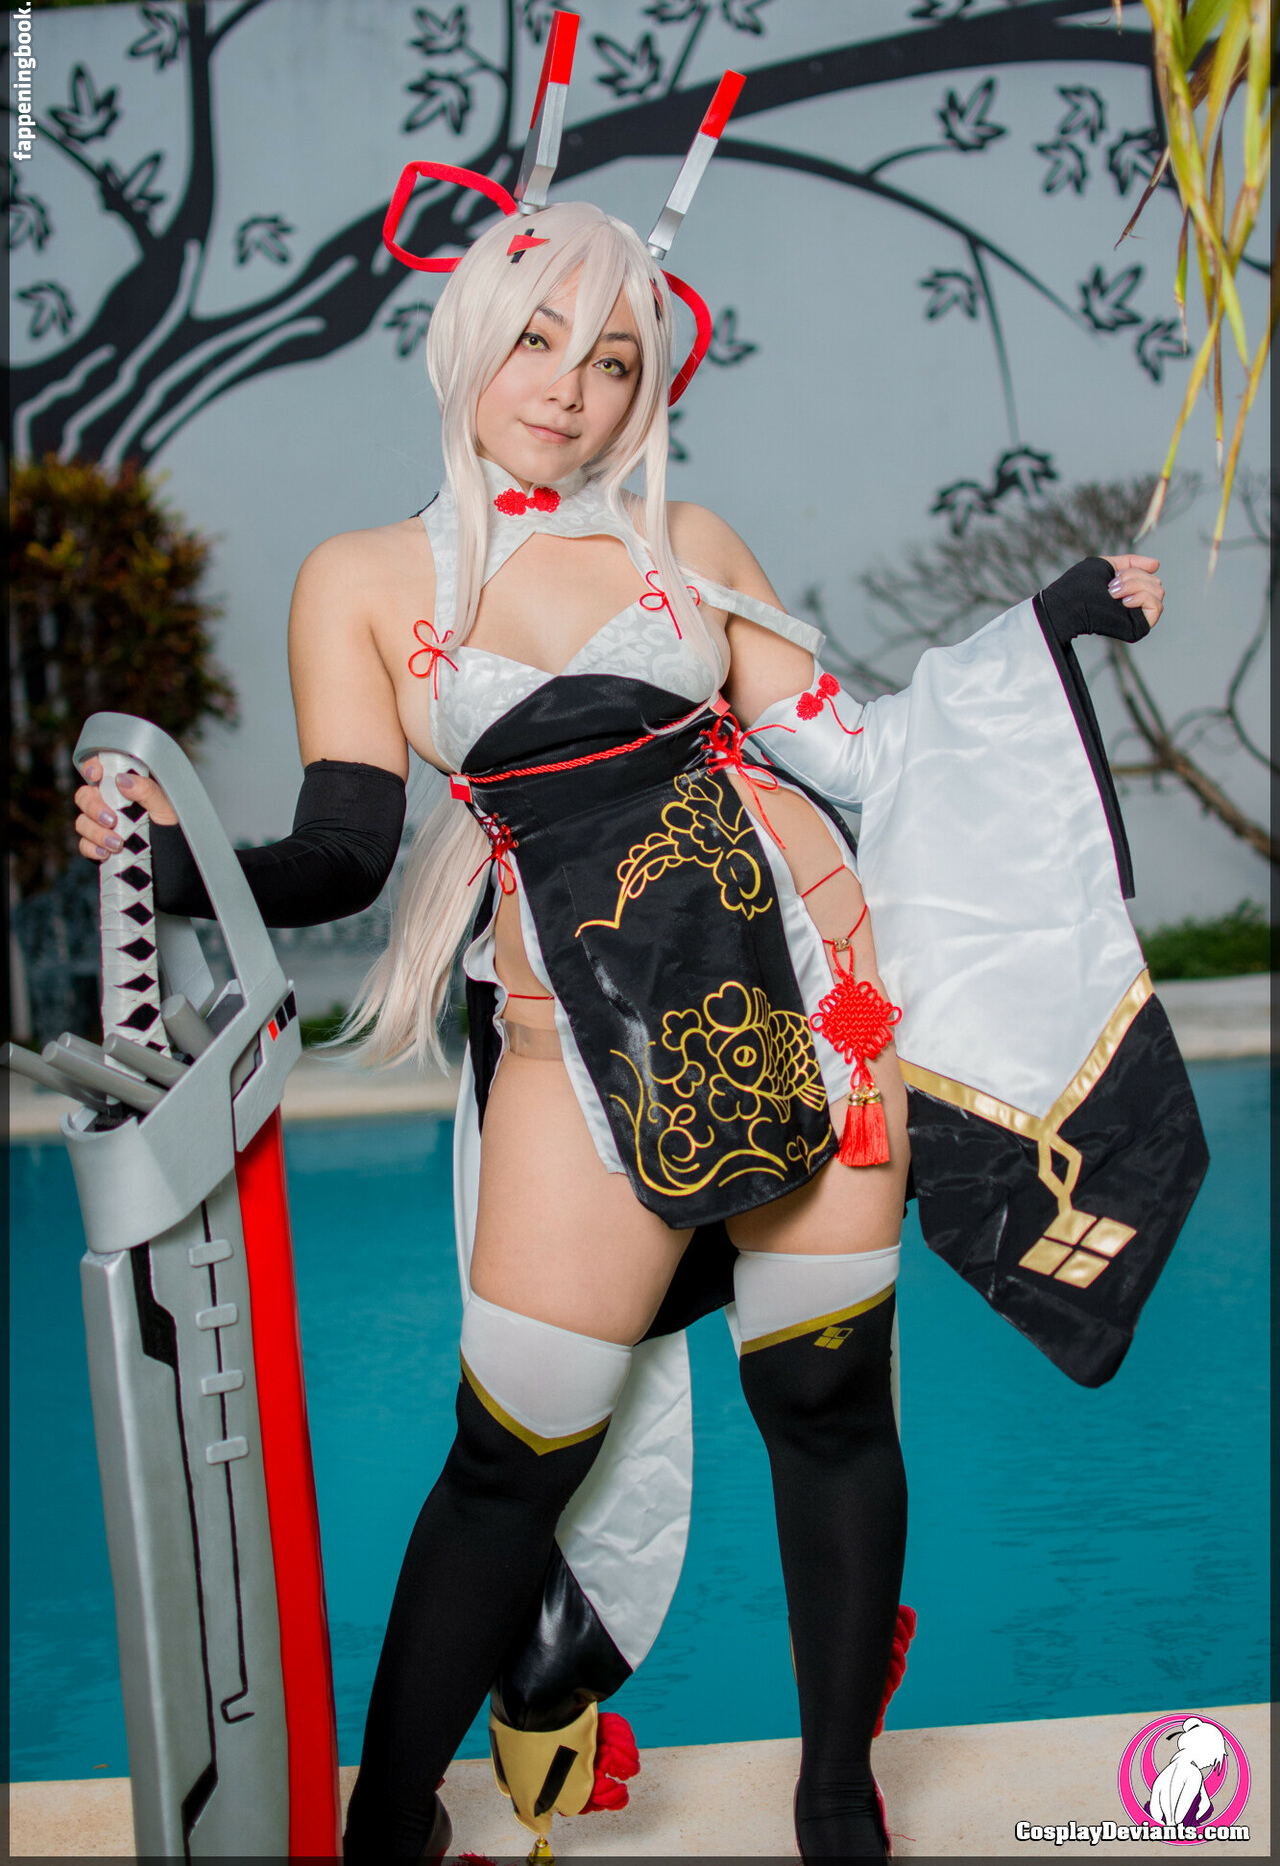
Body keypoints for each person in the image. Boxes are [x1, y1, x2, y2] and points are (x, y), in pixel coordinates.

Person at [76, 192, 1169, 1862]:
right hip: (573, 1053)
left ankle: (835, 1797)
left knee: (830, 1409)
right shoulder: (363, 580)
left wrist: (1048, 626)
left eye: (611, 359)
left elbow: (861, 752)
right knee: (510, 1456)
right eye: (536, 340)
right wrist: (166, 854)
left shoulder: (691, 544)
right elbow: (344, 851)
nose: (569, 389)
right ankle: (388, 1825)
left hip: (816, 1013)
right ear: (466, 339)